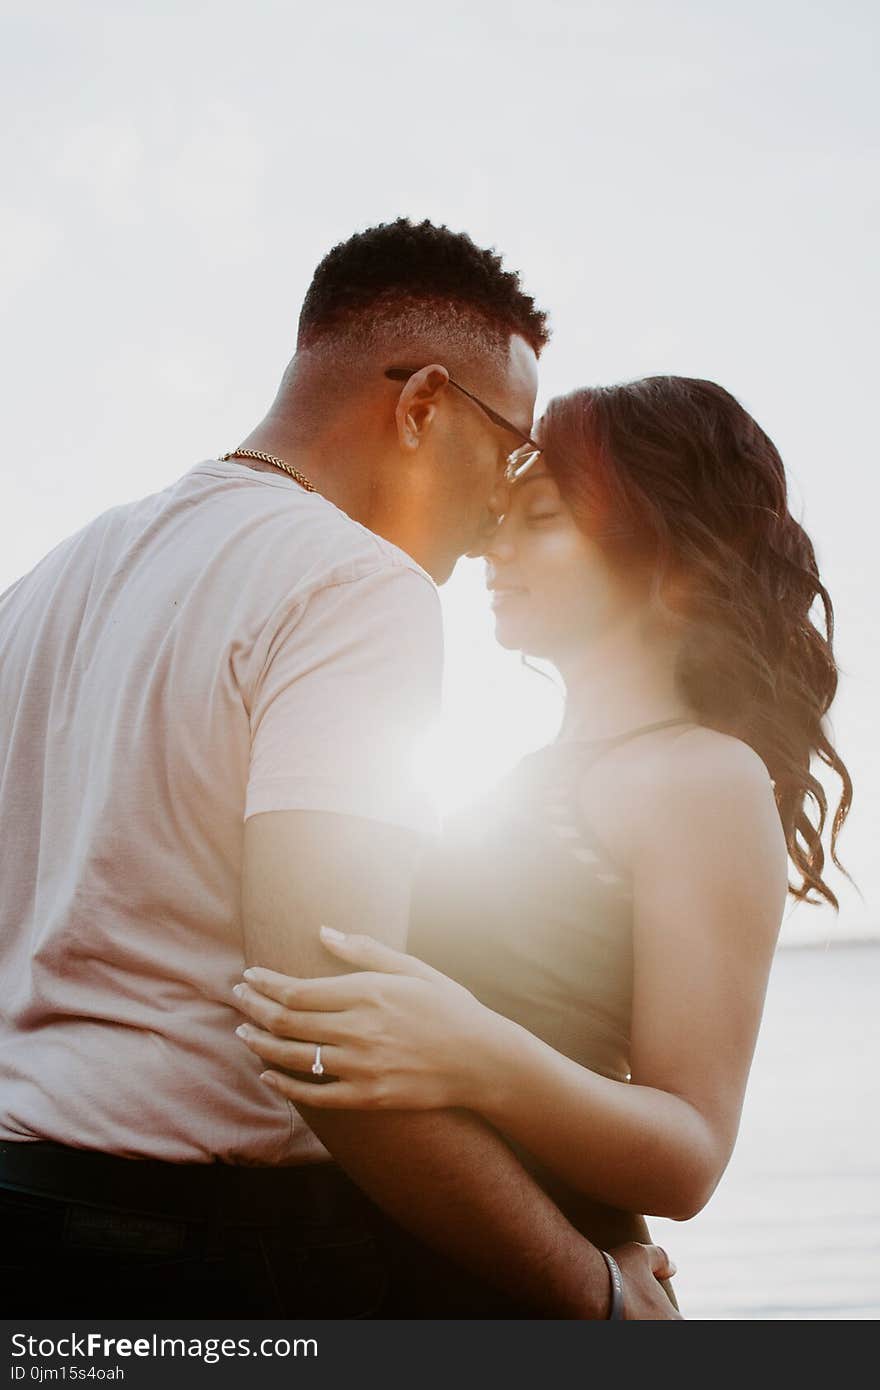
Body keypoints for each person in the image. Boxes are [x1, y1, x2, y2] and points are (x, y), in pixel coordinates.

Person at [0, 219, 678, 1319]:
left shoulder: (45, 584)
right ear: (420, 406)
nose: (505, 502)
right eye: (509, 449)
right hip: (187, 1256)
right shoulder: (355, 586)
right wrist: (596, 1294)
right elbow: (326, 1038)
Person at [233, 374, 852, 1303]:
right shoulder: (524, 777)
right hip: (418, 1269)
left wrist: (477, 1051)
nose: (495, 548)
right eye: (501, 519)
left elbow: (690, 1156)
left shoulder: (704, 778)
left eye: (544, 518)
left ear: (668, 558)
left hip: (557, 1291)